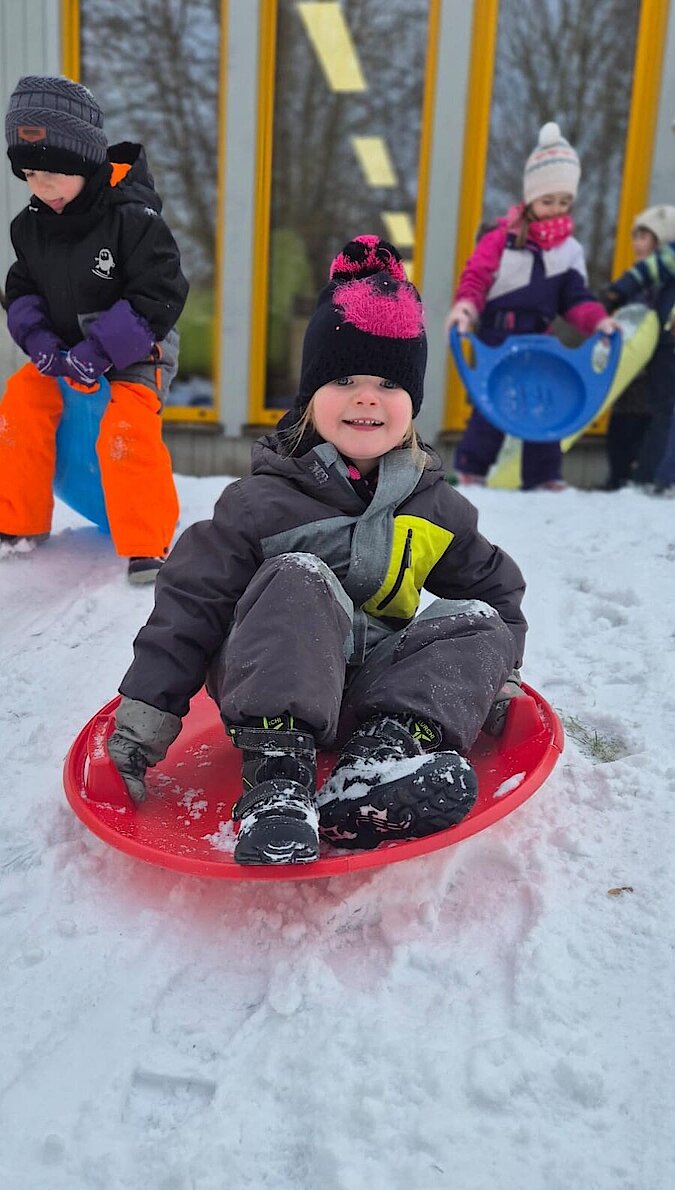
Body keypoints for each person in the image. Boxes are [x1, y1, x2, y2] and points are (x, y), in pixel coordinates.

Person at [107, 234, 528, 867]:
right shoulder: (260, 504)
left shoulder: (434, 506)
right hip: (273, 685)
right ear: (309, 395)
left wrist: (496, 678)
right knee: (299, 576)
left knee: (478, 619)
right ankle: (277, 785)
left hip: (376, 694)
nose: (367, 397)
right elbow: (189, 609)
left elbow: (496, 590)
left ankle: (377, 764)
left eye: (389, 382)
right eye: (344, 379)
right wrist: (141, 728)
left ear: (412, 403)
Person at [0, 75, 188, 583]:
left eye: (53, 173)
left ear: (84, 160)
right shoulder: (30, 226)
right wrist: (39, 341)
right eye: (30, 174)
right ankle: (17, 521)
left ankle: (147, 543)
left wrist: (102, 349)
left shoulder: (134, 219)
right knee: (19, 403)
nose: (41, 186)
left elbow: (160, 293)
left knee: (127, 426)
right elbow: (21, 289)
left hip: (137, 349)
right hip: (64, 352)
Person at [447, 122, 616, 491]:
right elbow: (476, 278)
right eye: (548, 201)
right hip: (497, 334)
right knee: (492, 403)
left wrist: (598, 322)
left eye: (564, 202)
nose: (556, 210)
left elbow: (575, 299)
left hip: (539, 337)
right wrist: (465, 309)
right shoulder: (501, 241)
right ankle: (472, 470)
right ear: (531, 197)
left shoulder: (569, 251)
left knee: (546, 401)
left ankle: (544, 476)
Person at [603, 205, 675, 489]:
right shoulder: (645, 278)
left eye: (644, 236)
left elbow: (641, 276)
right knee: (625, 424)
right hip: (634, 368)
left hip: (659, 357)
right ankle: (623, 476)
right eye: (635, 236)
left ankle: (649, 476)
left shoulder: (661, 269)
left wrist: (616, 293)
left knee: (657, 416)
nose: (636, 243)